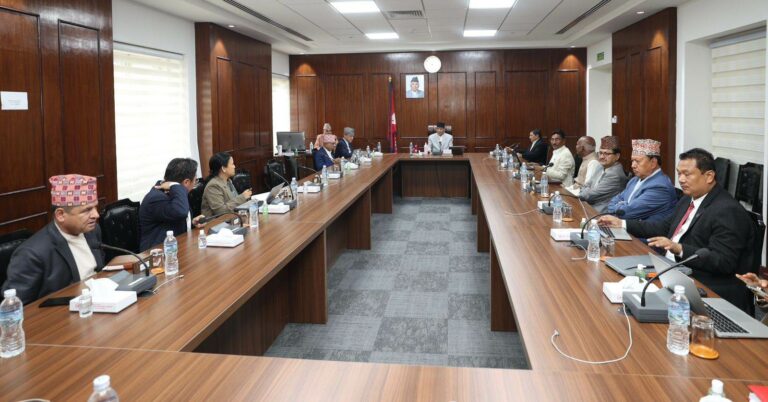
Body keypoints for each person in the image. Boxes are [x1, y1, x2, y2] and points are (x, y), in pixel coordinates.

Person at [599, 148, 755, 310]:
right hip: (671, 272)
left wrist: (679, 249)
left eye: (687, 174)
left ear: (709, 176)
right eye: (679, 173)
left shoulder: (728, 210)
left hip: (704, 287)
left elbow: (723, 261)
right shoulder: (688, 199)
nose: (681, 179)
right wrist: (622, 223)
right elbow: (662, 227)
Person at [2, 175, 105, 304]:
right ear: (61, 215)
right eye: (87, 210)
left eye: (95, 207)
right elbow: (17, 306)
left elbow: (98, 271)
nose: (96, 215)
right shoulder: (31, 254)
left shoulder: (92, 231)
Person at [139, 158, 204, 251]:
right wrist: (176, 186)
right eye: (195, 181)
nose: (194, 185)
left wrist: (192, 223)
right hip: (156, 254)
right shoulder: (156, 198)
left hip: (177, 248)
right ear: (186, 182)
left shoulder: (173, 192)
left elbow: (173, 221)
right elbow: (180, 212)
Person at [605, 139, 677, 221]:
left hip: (643, 229)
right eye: (632, 161)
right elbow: (612, 203)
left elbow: (626, 212)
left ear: (653, 163)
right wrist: (625, 205)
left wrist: (623, 205)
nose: (633, 165)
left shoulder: (660, 187)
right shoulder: (634, 180)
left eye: (637, 161)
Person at [575, 136, 628, 212]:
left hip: (600, 212)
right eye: (600, 153)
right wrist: (586, 190)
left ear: (617, 156)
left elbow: (590, 196)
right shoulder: (600, 167)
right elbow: (585, 186)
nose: (602, 157)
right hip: (589, 207)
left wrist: (586, 190)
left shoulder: (615, 174)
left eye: (607, 154)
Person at [201, 152, 253, 217]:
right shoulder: (213, 186)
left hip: (232, 218)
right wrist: (242, 197)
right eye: (232, 164)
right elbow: (221, 211)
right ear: (223, 168)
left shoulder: (228, 181)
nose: (234, 166)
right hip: (217, 222)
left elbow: (233, 202)